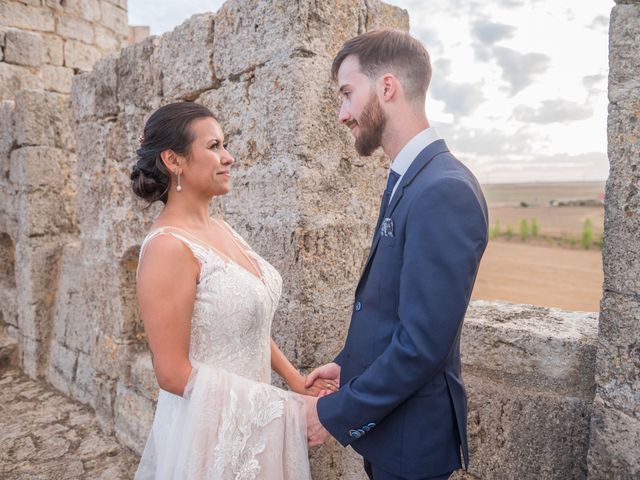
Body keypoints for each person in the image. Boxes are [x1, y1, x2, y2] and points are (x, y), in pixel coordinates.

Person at [304, 29, 489, 480]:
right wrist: (347, 366)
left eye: (347, 94)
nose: (342, 114)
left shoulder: (443, 189)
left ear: (387, 87)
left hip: (413, 446)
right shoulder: (410, 179)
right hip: (392, 435)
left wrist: (335, 413)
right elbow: (390, 308)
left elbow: (422, 345)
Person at [130, 102, 336, 479]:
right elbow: (173, 375)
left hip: (251, 424)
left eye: (224, 145)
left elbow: (247, 320)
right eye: (213, 147)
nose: (229, 157)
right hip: (210, 434)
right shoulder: (167, 248)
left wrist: (295, 381)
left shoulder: (223, 230)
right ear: (173, 161)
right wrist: (284, 409)